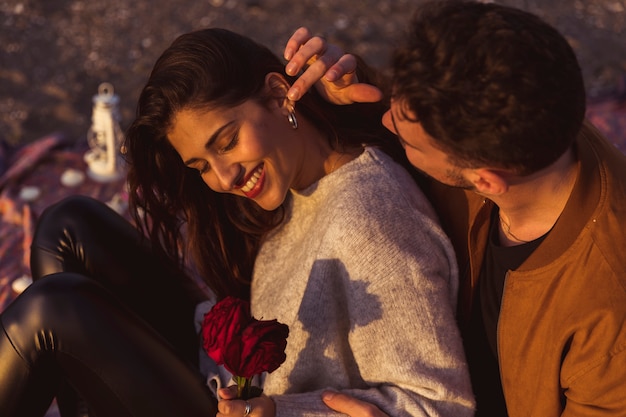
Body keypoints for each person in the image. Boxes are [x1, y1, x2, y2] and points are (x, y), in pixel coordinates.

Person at [0, 28, 475, 417]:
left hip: (256, 410)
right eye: (201, 166)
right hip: (227, 375)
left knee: (52, 312)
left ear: (275, 95)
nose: (224, 177)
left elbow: (437, 404)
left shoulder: (371, 223)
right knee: (69, 224)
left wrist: (286, 411)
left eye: (226, 142)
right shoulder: (299, 178)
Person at [282, 1, 626, 416]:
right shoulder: (523, 112)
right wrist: (353, 94)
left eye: (408, 141)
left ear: (485, 183)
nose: (388, 123)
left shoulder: (609, 318)